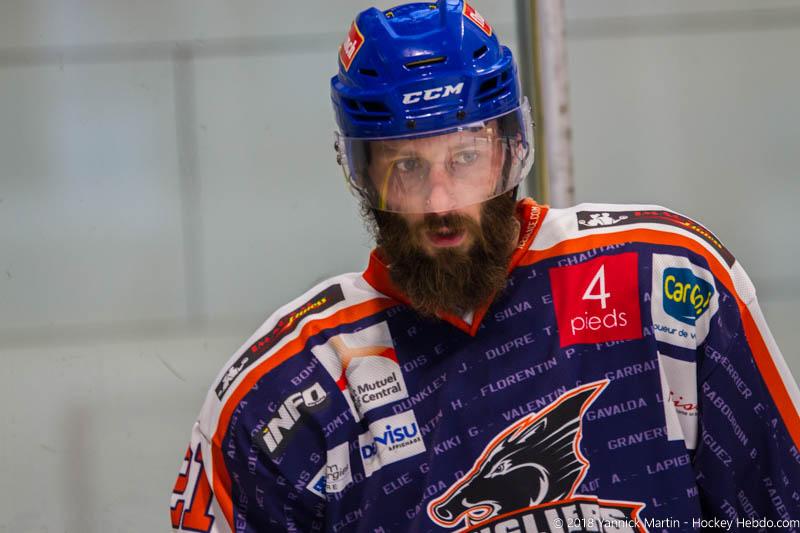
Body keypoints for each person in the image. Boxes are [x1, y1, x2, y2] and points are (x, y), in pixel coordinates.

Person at [170, 1, 800, 532]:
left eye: (465, 157)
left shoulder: (665, 281)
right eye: (407, 167)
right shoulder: (281, 398)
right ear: (363, 175)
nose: (441, 201)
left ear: (510, 149)